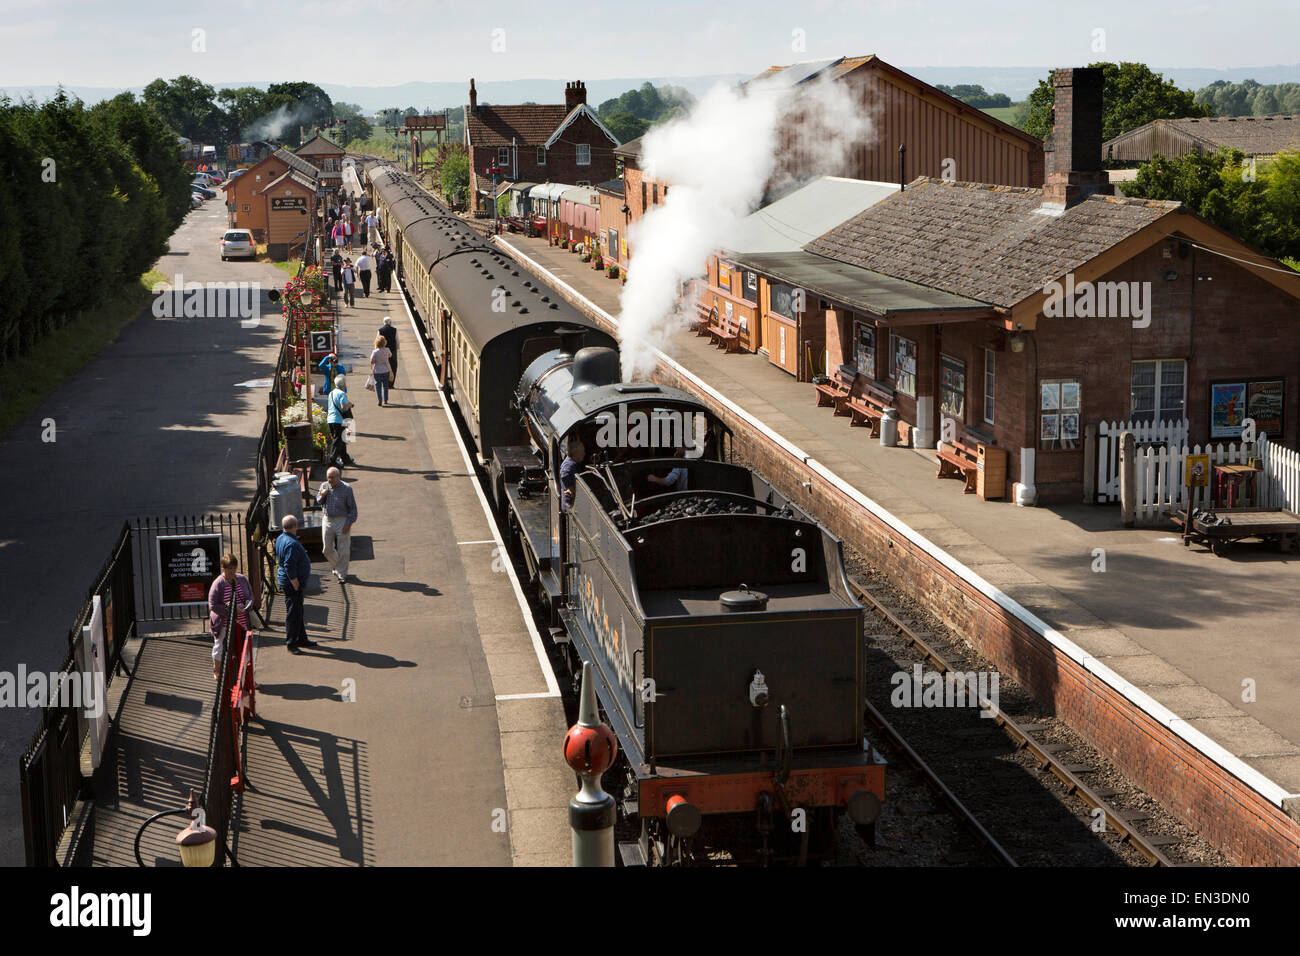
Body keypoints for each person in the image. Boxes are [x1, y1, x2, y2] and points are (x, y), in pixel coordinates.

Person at [207, 553, 255, 679]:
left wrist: (247, 605)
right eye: (229, 568)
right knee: (220, 647)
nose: (232, 571)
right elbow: (213, 605)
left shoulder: (242, 579)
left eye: (234, 568)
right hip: (224, 623)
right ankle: (217, 670)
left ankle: (249, 678)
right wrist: (231, 610)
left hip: (242, 621)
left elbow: (250, 596)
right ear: (223, 567)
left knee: (246, 649)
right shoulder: (218, 584)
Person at [275, 515, 316, 654]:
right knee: (293, 613)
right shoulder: (291, 543)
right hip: (292, 584)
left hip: (289, 582)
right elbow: (289, 565)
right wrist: (295, 583)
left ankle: (302, 638)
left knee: (298, 611)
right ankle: (291, 643)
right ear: (295, 526)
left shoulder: (281, 538)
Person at [317, 466, 358, 582]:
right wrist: (322, 495)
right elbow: (318, 501)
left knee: (343, 548)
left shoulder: (347, 489)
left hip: (342, 519)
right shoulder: (324, 486)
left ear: (338, 477)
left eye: (332, 478)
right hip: (327, 519)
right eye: (328, 477)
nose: (329, 480)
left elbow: (353, 509)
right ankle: (338, 566)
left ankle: (342, 573)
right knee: (327, 549)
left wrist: (348, 524)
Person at [327, 373, 356, 467]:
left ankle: (346, 459)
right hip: (338, 420)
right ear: (343, 385)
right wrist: (350, 405)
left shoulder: (331, 393)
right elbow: (344, 407)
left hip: (330, 419)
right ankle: (332, 460)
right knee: (338, 440)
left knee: (341, 440)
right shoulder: (342, 394)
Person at [559, 438, 585, 511]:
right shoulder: (569, 466)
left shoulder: (574, 463)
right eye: (582, 452)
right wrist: (569, 488)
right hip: (570, 505)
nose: (584, 454)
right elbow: (565, 474)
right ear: (575, 453)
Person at [370, 334, 392, 406]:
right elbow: (390, 355)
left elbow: (372, 362)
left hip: (377, 371)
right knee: (386, 386)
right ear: (384, 342)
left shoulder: (375, 352)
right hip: (386, 370)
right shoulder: (387, 349)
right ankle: (385, 400)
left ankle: (380, 400)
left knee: (378, 386)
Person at [378, 317, 399, 387]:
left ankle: (384, 383)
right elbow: (397, 341)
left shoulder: (380, 330)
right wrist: (397, 348)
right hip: (392, 351)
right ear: (390, 322)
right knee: (393, 366)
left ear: (384, 322)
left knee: (383, 366)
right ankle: (391, 384)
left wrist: (376, 350)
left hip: (382, 350)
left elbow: (377, 341)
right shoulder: (394, 330)